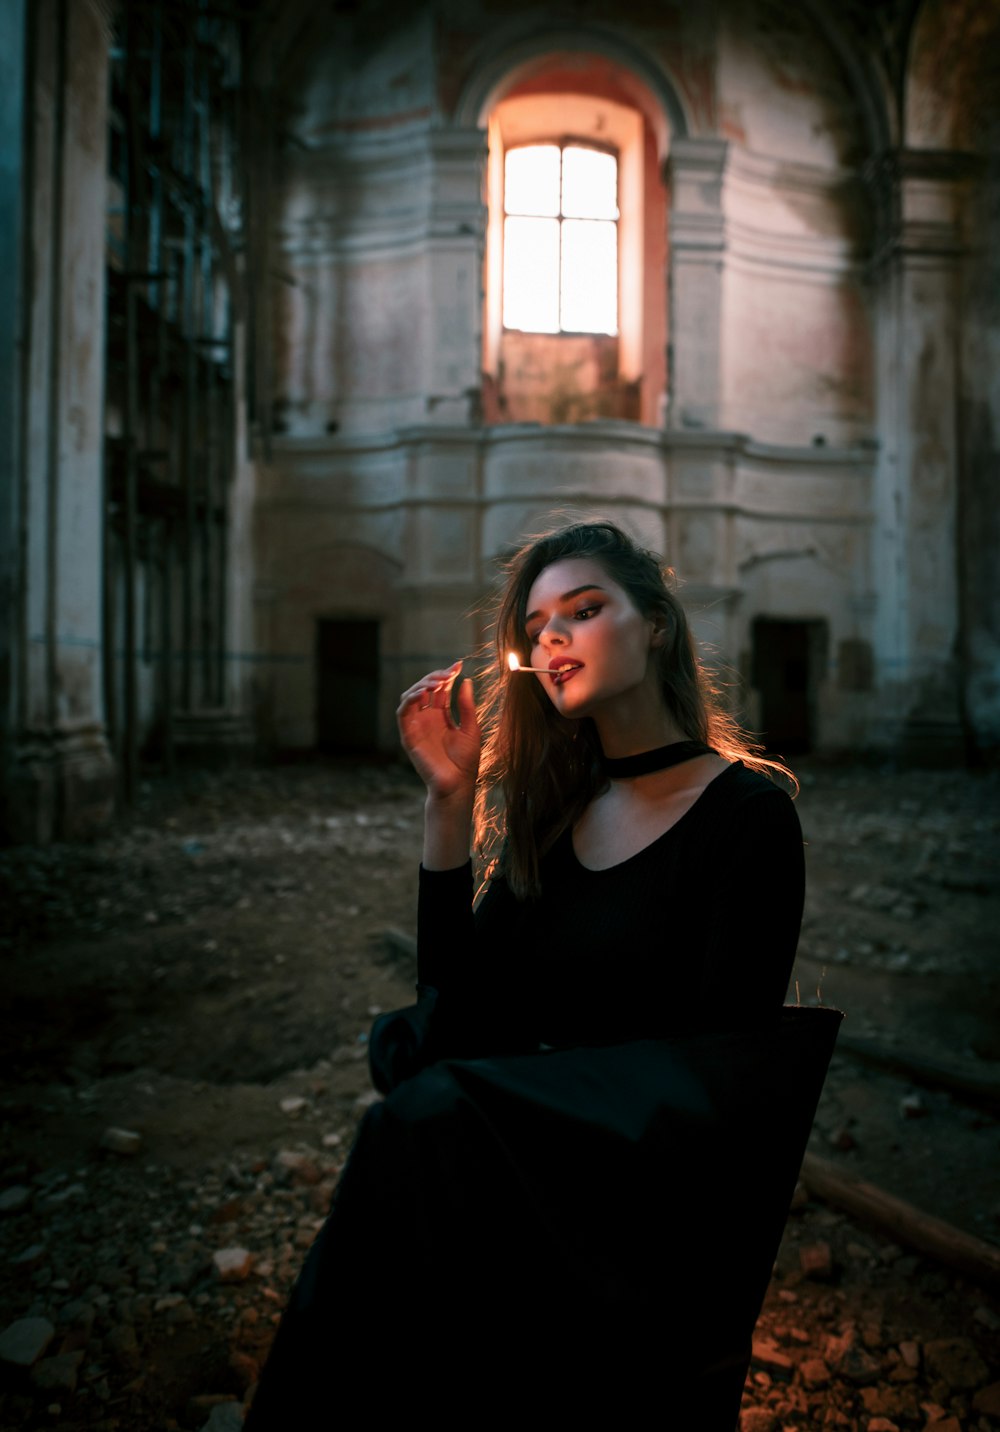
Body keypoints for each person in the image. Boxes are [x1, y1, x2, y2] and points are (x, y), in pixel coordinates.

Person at [245, 519, 841, 1429]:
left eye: (585, 609)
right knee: (415, 1110)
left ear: (657, 626)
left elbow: (718, 1091)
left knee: (421, 1126)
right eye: (537, 625)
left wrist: (483, 1115)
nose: (553, 637)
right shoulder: (562, 815)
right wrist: (449, 804)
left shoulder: (747, 816)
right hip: (519, 1173)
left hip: (636, 1209)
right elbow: (452, 1022)